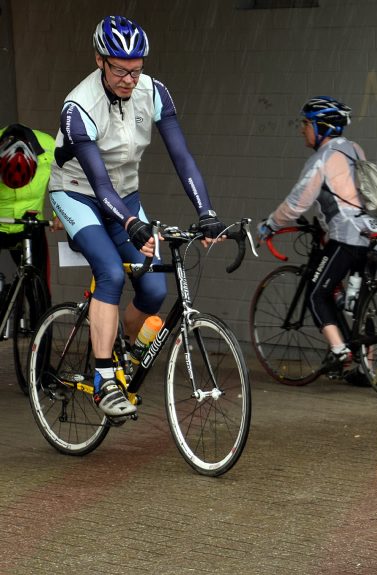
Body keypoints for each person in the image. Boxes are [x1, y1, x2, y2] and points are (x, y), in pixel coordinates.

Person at [48, 15, 226, 419]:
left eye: (137, 69)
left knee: (153, 292)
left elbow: (182, 158)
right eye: (120, 70)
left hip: (124, 196)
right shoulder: (78, 107)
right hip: (77, 194)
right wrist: (131, 223)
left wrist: (207, 211)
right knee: (110, 271)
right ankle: (104, 377)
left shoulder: (155, 92)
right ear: (99, 60)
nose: (130, 79)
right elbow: (98, 183)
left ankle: (121, 348)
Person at [260, 96, 377, 370]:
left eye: (306, 123)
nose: (301, 129)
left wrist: (271, 224)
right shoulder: (354, 149)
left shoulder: (322, 158)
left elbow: (297, 203)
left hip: (347, 236)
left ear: (322, 127)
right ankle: (367, 369)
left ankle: (341, 353)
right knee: (359, 302)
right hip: (372, 234)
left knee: (316, 295)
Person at [0, 123, 57, 295]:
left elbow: (63, 183)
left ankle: (41, 320)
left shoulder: (49, 147)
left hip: (29, 226)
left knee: (39, 290)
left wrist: (59, 215)